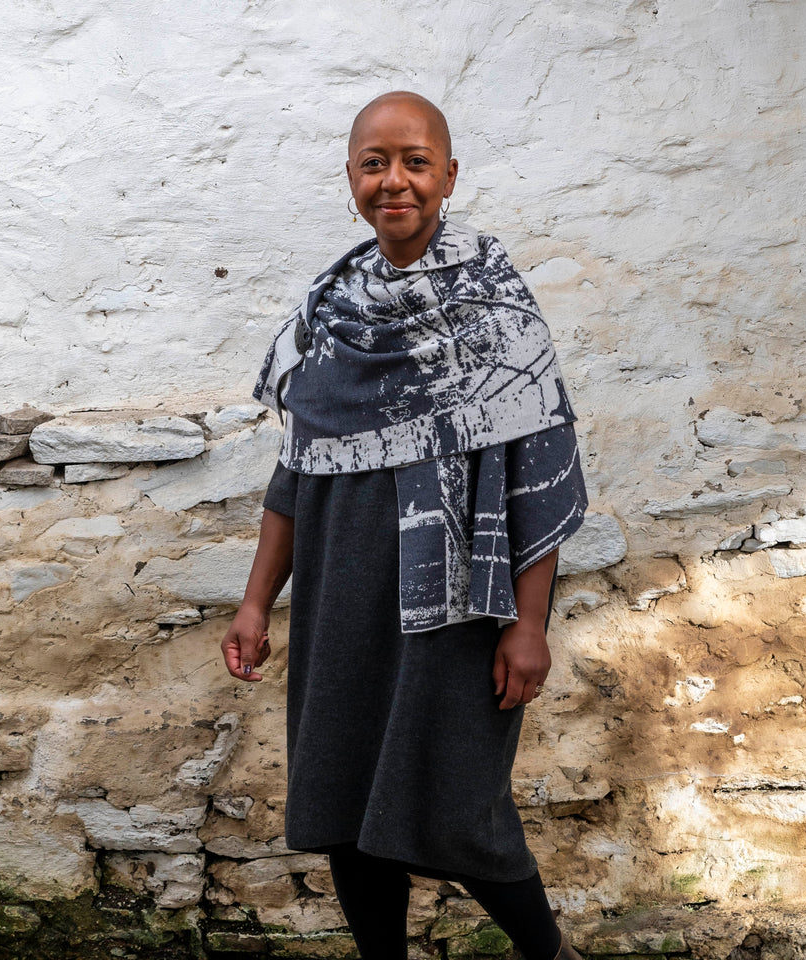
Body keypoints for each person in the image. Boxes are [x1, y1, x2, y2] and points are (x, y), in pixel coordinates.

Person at [221, 91, 587, 960]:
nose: (395, 181)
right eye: (374, 163)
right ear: (351, 177)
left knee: (462, 805)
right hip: (340, 595)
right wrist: (255, 602)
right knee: (344, 799)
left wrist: (528, 624)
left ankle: (552, 956)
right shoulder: (330, 311)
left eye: (415, 162)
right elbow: (296, 469)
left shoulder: (496, 310)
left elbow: (537, 477)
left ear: (448, 176)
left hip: (454, 603)